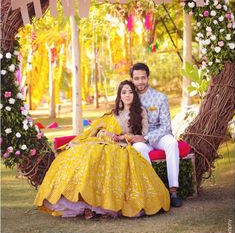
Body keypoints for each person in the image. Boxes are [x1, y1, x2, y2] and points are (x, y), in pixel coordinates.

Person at [34, 80, 170, 218]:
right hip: (103, 141)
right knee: (83, 154)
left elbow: (142, 135)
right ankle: (84, 203)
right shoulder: (113, 113)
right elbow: (95, 129)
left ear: (135, 95)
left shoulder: (140, 112)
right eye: (124, 92)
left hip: (122, 145)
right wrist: (100, 135)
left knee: (108, 157)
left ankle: (99, 206)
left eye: (130, 92)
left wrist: (121, 137)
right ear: (120, 96)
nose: (127, 95)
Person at [130, 63, 182, 207]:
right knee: (139, 148)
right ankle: (153, 191)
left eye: (143, 78)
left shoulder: (160, 97)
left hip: (159, 136)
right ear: (132, 79)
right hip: (140, 138)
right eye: (136, 78)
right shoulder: (129, 98)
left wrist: (147, 137)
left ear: (148, 78)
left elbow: (166, 125)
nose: (140, 81)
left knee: (172, 143)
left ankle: (173, 191)